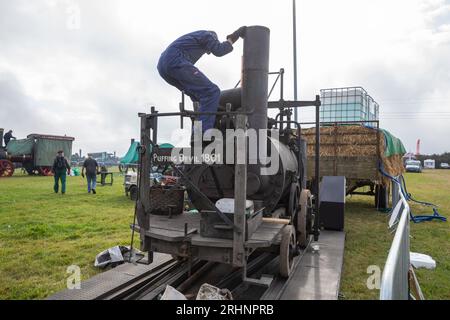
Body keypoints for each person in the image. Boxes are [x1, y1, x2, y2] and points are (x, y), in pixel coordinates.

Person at [157, 27, 246, 135]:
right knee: (212, 91)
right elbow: (219, 50)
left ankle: (200, 129)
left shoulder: (192, 40)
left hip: (162, 67)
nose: (208, 52)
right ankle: (203, 133)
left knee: (198, 97)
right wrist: (234, 37)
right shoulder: (207, 35)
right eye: (208, 50)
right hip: (175, 59)